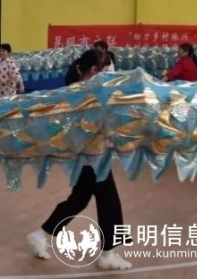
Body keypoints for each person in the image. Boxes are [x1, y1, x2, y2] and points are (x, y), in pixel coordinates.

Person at [26, 48, 133, 270]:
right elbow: (87, 129)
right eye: (106, 69)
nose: (109, 73)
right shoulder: (85, 95)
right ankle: (107, 254)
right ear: (94, 70)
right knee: (109, 204)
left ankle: (41, 234)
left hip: (91, 159)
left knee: (78, 201)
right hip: (91, 160)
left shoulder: (85, 92)